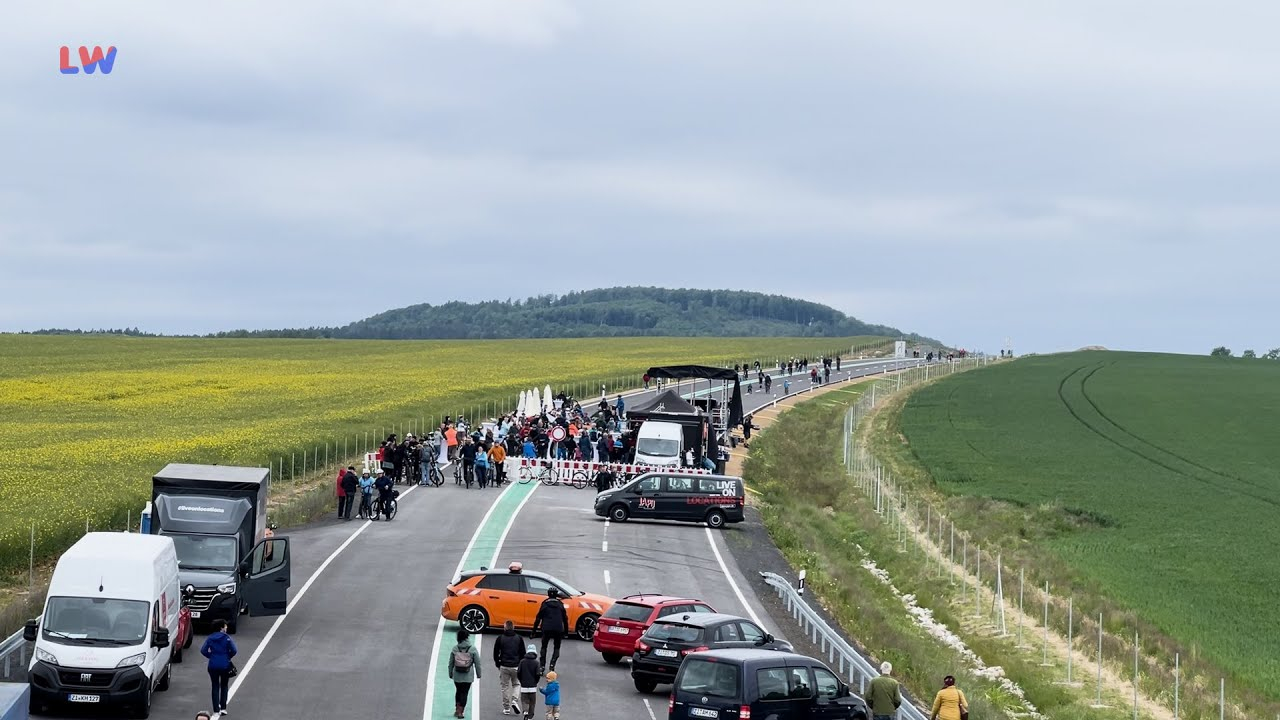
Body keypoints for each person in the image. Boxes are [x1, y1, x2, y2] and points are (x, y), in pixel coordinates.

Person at [200, 619, 237, 716]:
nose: (226, 628)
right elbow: (234, 650)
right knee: (224, 685)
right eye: (225, 626)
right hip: (225, 665)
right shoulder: (227, 638)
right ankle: (223, 708)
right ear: (221, 628)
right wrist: (227, 656)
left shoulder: (210, 638)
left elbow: (203, 650)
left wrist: (211, 656)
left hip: (213, 665)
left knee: (215, 686)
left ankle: (216, 710)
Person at [532, 587, 568, 673]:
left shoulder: (545, 603)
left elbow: (538, 618)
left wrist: (533, 632)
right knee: (557, 647)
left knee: (544, 646)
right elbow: (565, 619)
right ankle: (552, 665)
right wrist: (566, 632)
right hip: (558, 628)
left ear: (548, 594)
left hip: (546, 628)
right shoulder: (560, 604)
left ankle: (542, 666)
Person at [493, 621, 526, 715]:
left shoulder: (500, 638)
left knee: (505, 686)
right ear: (513, 627)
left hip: (504, 665)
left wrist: (497, 663)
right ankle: (514, 700)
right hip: (516, 665)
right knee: (517, 684)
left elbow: (495, 652)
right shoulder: (519, 638)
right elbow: (523, 653)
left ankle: (506, 708)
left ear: (505, 627)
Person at [447, 628, 481, 719]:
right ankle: (461, 712)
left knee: (458, 691)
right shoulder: (472, 649)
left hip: (457, 675)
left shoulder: (455, 648)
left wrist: (450, 673)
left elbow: (451, 662)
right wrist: (479, 674)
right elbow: (477, 663)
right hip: (468, 676)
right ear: (467, 637)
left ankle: (457, 709)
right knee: (465, 692)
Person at [518, 645, 541, 720]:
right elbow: (538, 674)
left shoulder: (522, 661)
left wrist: (521, 680)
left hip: (524, 685)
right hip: (532, 686)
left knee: (524, 699)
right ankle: (530, 716)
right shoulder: (536, 663)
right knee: (532, 702)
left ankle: (525, 710)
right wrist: (535, 682)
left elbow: (518, 672)